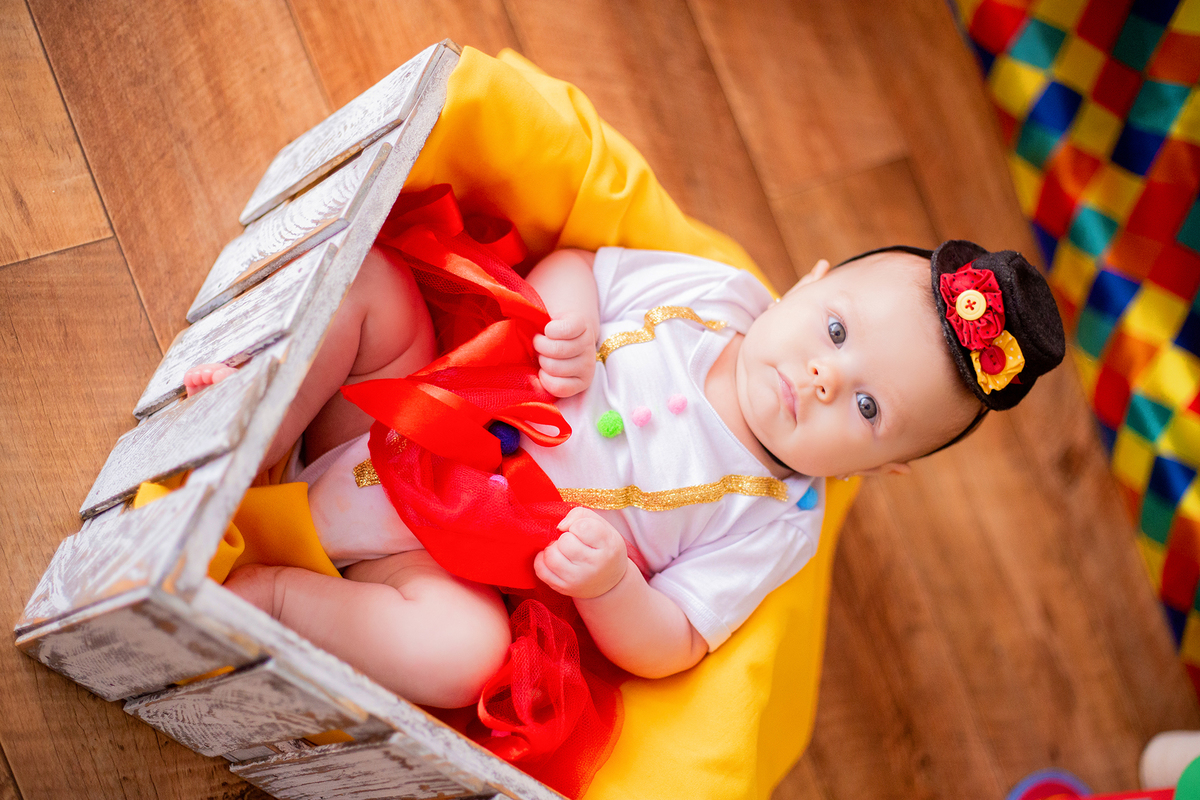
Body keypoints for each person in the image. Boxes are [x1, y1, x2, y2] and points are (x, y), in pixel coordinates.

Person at [186, 230, 1064, 712]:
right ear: (808, 281)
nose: (826, 377)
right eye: (835, 331)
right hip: (412, 403)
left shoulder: (776, 519)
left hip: (438, 560)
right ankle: (259, 423)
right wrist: (563, 316)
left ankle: (272, 600)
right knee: (375, 291)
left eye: (869, 411)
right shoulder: (714, 298)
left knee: (466, 654)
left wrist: (611, 586)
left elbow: (673, 640)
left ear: (886, 469)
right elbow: (583, 267)